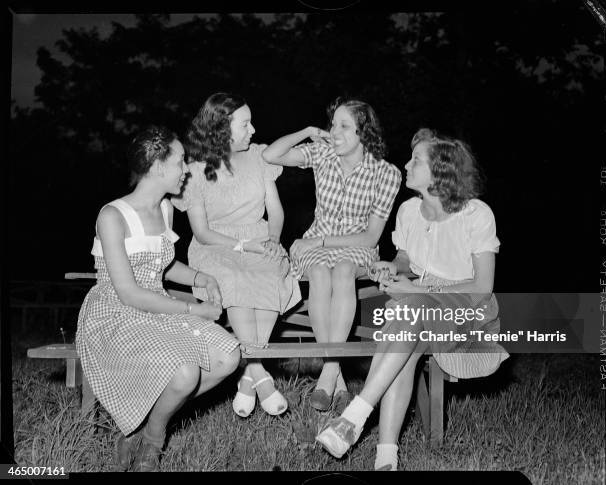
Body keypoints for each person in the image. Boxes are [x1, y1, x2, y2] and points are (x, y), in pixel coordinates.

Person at [315, 128, 510, 470]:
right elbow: (407, 259)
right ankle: (385, 458)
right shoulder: (408, 211)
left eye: (415, 160)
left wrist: (417, 290)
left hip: (468, 315)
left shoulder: (476, 214)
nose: (406, 165)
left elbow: (482, 288)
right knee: (406, 339)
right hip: (417, 314)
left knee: (410, 311)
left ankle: (354, 416)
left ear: (441, 171)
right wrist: (393, 267)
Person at [75, 126, 241, 472]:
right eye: (181, 162)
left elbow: (161, 264)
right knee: (184, 373)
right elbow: (129, 292)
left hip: (157, 305)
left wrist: (200, 276)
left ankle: (145, 423)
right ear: (157, 166)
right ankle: (152, 437)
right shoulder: (112, 216)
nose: (186, 169)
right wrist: (193, 309)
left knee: (228, 356)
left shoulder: (166, 210)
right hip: (116, 313)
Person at [262, 98, 402, 411]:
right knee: (322, 274)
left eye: (343, 126)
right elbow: (271, 154)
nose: (334, 132)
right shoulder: (323, 153)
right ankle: (334, 373)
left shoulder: (386, 173)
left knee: (342, 271)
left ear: (363, 133)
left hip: (356, 246)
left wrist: (322, 242)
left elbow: (371, 235)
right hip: (316, 245)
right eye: (332, 124)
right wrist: (307, 130)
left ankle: (328, 369)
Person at [171, 93, 301, 418]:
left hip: (259, 236)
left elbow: (275, 209)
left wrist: (272, 239)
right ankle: (260, 372)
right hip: (216, 245)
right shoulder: (194, 171)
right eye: (245, 124)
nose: (253, 129)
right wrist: (243, 247)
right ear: (221, 127)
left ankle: (249, 374)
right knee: (236, 278)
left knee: (272, 271)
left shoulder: (260, 156)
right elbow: (201, 232)